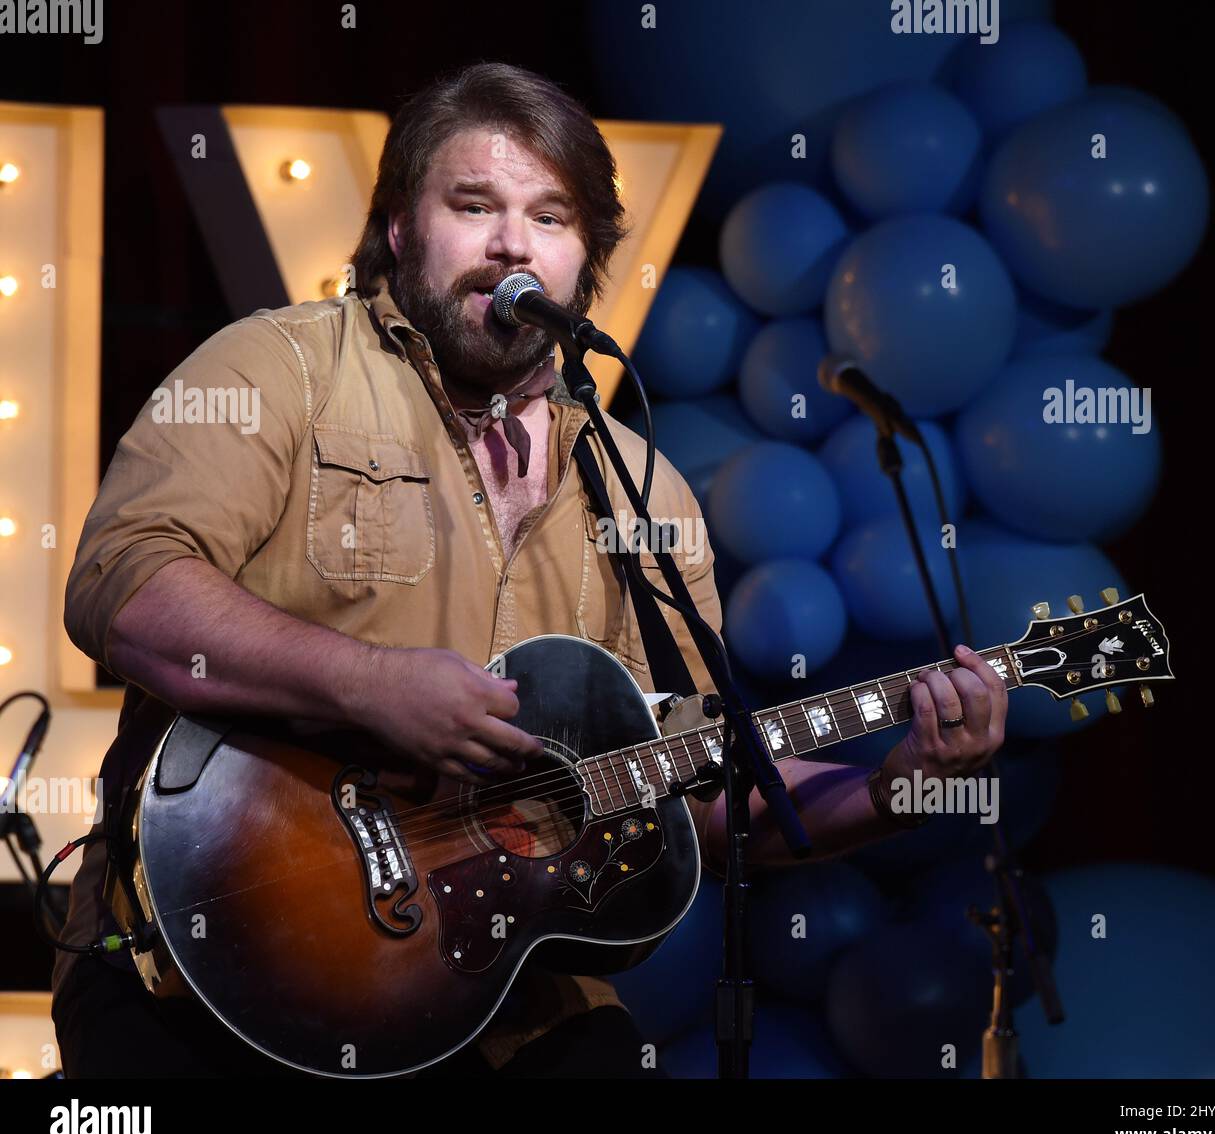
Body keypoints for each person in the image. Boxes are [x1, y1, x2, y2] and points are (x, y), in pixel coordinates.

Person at [52, 62, 1007, 1079]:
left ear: (584, 262)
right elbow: (123, 588)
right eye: (474, 204)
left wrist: (902, 786)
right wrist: (369, 684)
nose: (513, 241)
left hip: (505, 1005)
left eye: (551, 218)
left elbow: (704, 785)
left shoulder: (645, 493)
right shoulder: (276, 371)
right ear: (396, 230)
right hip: (219, 956)